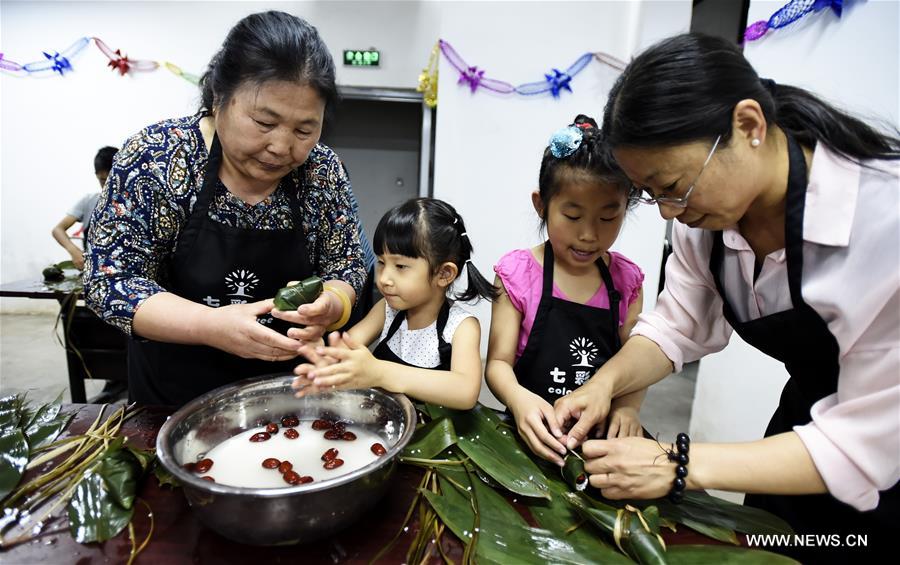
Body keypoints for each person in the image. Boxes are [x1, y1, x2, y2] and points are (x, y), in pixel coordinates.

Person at [553, 33, 899, 558]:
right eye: (652, 194)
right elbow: (677, 325)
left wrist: (678, 465)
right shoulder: (706, 219)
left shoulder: (883, 223)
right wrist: (605, 383)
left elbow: (865, 443)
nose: (669, 211)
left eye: (674, 185)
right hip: (796, 435)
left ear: (749, 126)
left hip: (883, 459)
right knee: (770, 549)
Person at [84, 11, 370, 407]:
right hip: (174, 401)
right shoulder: (156, 158)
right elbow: (111, 280)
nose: (283, 147)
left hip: (290, 399)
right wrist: (211, 325)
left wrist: (333, 305)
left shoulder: (322, 171)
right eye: (264, 122)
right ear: (219, 98)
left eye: (305, 130)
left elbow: (347, 264)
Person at [485, 115, 646, 467]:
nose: (589, 234)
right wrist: (518, 400)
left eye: (607, 218)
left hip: (598, 445)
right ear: (541, 205)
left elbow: (637, 358)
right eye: (573, 216)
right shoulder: (516, 274)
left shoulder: (626, 281)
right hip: (531, 433)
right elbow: (497, 363)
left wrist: (628, 407)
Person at [291, 198, 497, 410]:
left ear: (444, 274)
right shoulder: (387, 309)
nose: (383, 278)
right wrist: (328, 360)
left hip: (433, 435)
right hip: (385, 423)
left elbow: (464, 392)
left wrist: (380, 372)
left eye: (400, 266)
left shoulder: (461, 326)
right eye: (381, 262)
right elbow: (347, 346)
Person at [51, 146, 118, 270]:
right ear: (97, 175)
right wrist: (74, 251)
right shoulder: (89, 201)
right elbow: (58, 230)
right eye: (103, 181)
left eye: (114, 181)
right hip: (94, 273)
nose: (108, 186)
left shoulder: (135, 205)